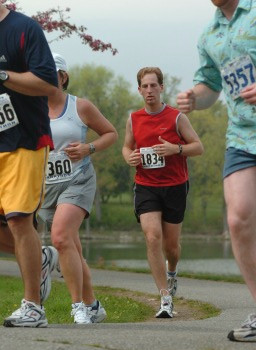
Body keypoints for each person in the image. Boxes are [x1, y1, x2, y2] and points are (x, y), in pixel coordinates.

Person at [177, 0, 256, 341]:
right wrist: (195, 98)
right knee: (238, 219)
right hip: (241, 135)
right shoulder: (209, 34)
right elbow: (211, 86)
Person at [38, 52, 118, 324]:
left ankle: (77, 308)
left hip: (78, 180)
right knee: (72, 247)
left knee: (60, 237)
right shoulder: (31, 108)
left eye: (53, 73)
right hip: (45, 187)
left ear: (63, 77)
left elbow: (110, 133)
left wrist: (88, 148)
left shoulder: (80, 107)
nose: (48, 78)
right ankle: (93, 305)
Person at [122, 67, 204, 318]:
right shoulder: (134, 119)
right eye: (144, 86)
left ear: (161, 88)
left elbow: (198, 147)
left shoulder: (176, 118)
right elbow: (126, 147)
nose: (149, 91)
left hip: (175, 186)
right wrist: (130, 157)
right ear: (139, 90)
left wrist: (175, 149)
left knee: (171, 247)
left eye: (153, 86)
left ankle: (172, 272)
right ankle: (164, 297)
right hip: (146, 185)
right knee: (152, 236)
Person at [0, 3, 59, 327]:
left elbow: (48, 84)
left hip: (25, 140)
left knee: (20, 220)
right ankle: (42, 260)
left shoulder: (24, 29)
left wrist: (3, 74)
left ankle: (33, 308)